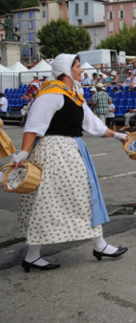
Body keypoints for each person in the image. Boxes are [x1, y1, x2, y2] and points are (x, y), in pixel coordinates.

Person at [12, 54, 128, 272]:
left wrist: (119, 136)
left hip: (71, 150)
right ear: (66, 70)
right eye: (77, 66)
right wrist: (24, 153)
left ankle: (95, 245)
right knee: (57, 200)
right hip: (54, 152)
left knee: (75, 197)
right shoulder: (51, 94)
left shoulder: (74, 94)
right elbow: (33, 126)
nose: (81, 70)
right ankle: (36, 255)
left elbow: (92, 124)